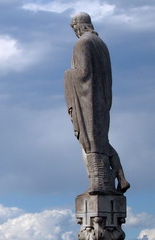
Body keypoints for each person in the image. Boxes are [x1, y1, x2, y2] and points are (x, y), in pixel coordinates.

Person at [64, 12, 130, 194]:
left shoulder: (82, 43)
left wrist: (67, 75)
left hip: (88, 100)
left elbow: (83, 73)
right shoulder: (101, 44)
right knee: (100, 140)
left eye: (74, 27)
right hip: (101, 97)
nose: (74, 31)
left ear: (79, 25)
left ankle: (99, 182)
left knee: (89, 140)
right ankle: (121, 176)